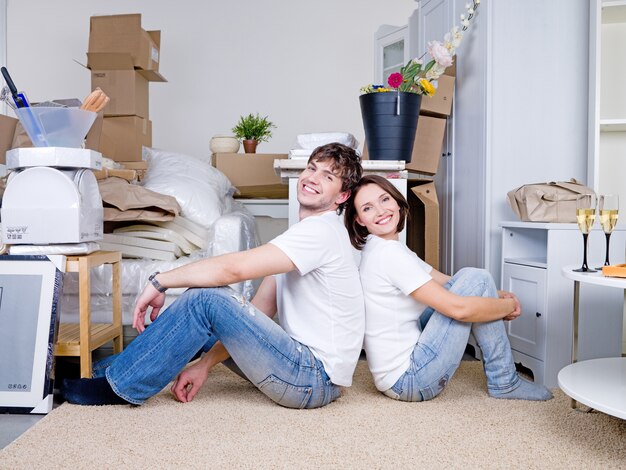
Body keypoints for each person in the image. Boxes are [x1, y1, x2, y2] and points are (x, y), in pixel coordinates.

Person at [63, 142, 364, 409]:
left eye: (328, 176)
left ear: (342, 196)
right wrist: (205, 365)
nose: (313, 178)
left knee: (205, 299)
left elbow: (231, 270)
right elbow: (259, 310)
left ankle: (120, 387)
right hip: (306, 375)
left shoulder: (320, 231)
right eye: (312, 168)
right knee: (203, 320)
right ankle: (100, 374)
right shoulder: (301, 236)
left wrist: (160, 281)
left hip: (311, 378)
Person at [344, 175, 552, 402]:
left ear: (396, 201)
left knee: (476, 279)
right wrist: (506, 306)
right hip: (409, 379)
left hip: (395, 373)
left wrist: (495, 295)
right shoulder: (388, 254)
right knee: (477, 278)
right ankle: (504, 381)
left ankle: (504, 379)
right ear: (360, 220)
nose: (380, 211)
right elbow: (459, 308)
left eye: (384, 199)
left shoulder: (385, 248)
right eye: (367, 208)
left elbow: (445, 281)